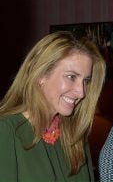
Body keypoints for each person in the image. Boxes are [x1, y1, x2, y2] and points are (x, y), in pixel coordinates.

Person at [0, 31, 106, 182]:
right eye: (71, 77)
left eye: (86, 81)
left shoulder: (75, 137)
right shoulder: (6, 131)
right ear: (41, 75)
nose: (81, 92)